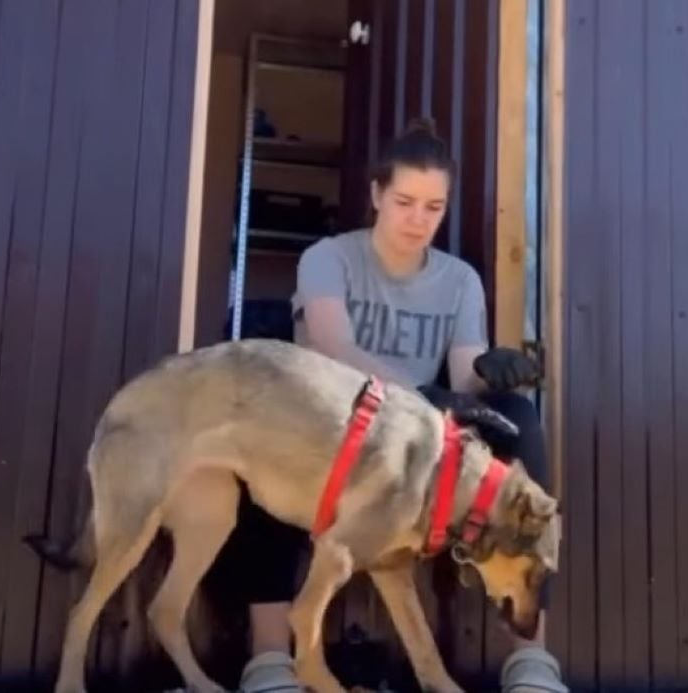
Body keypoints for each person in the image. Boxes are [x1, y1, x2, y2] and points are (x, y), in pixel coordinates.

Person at [234, 118, 568, 693]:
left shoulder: (460, 281)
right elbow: (333, 346)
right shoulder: (327, 258)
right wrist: (420, 403)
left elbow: (464, 375)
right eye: (406, 202)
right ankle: (269, 659)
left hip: (416, 439)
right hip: (329, 418)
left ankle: (530, 659)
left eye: (434, 207)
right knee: (266, 443)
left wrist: (490, 374)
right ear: (376, 196)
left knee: (522, 417)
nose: (419, 219)